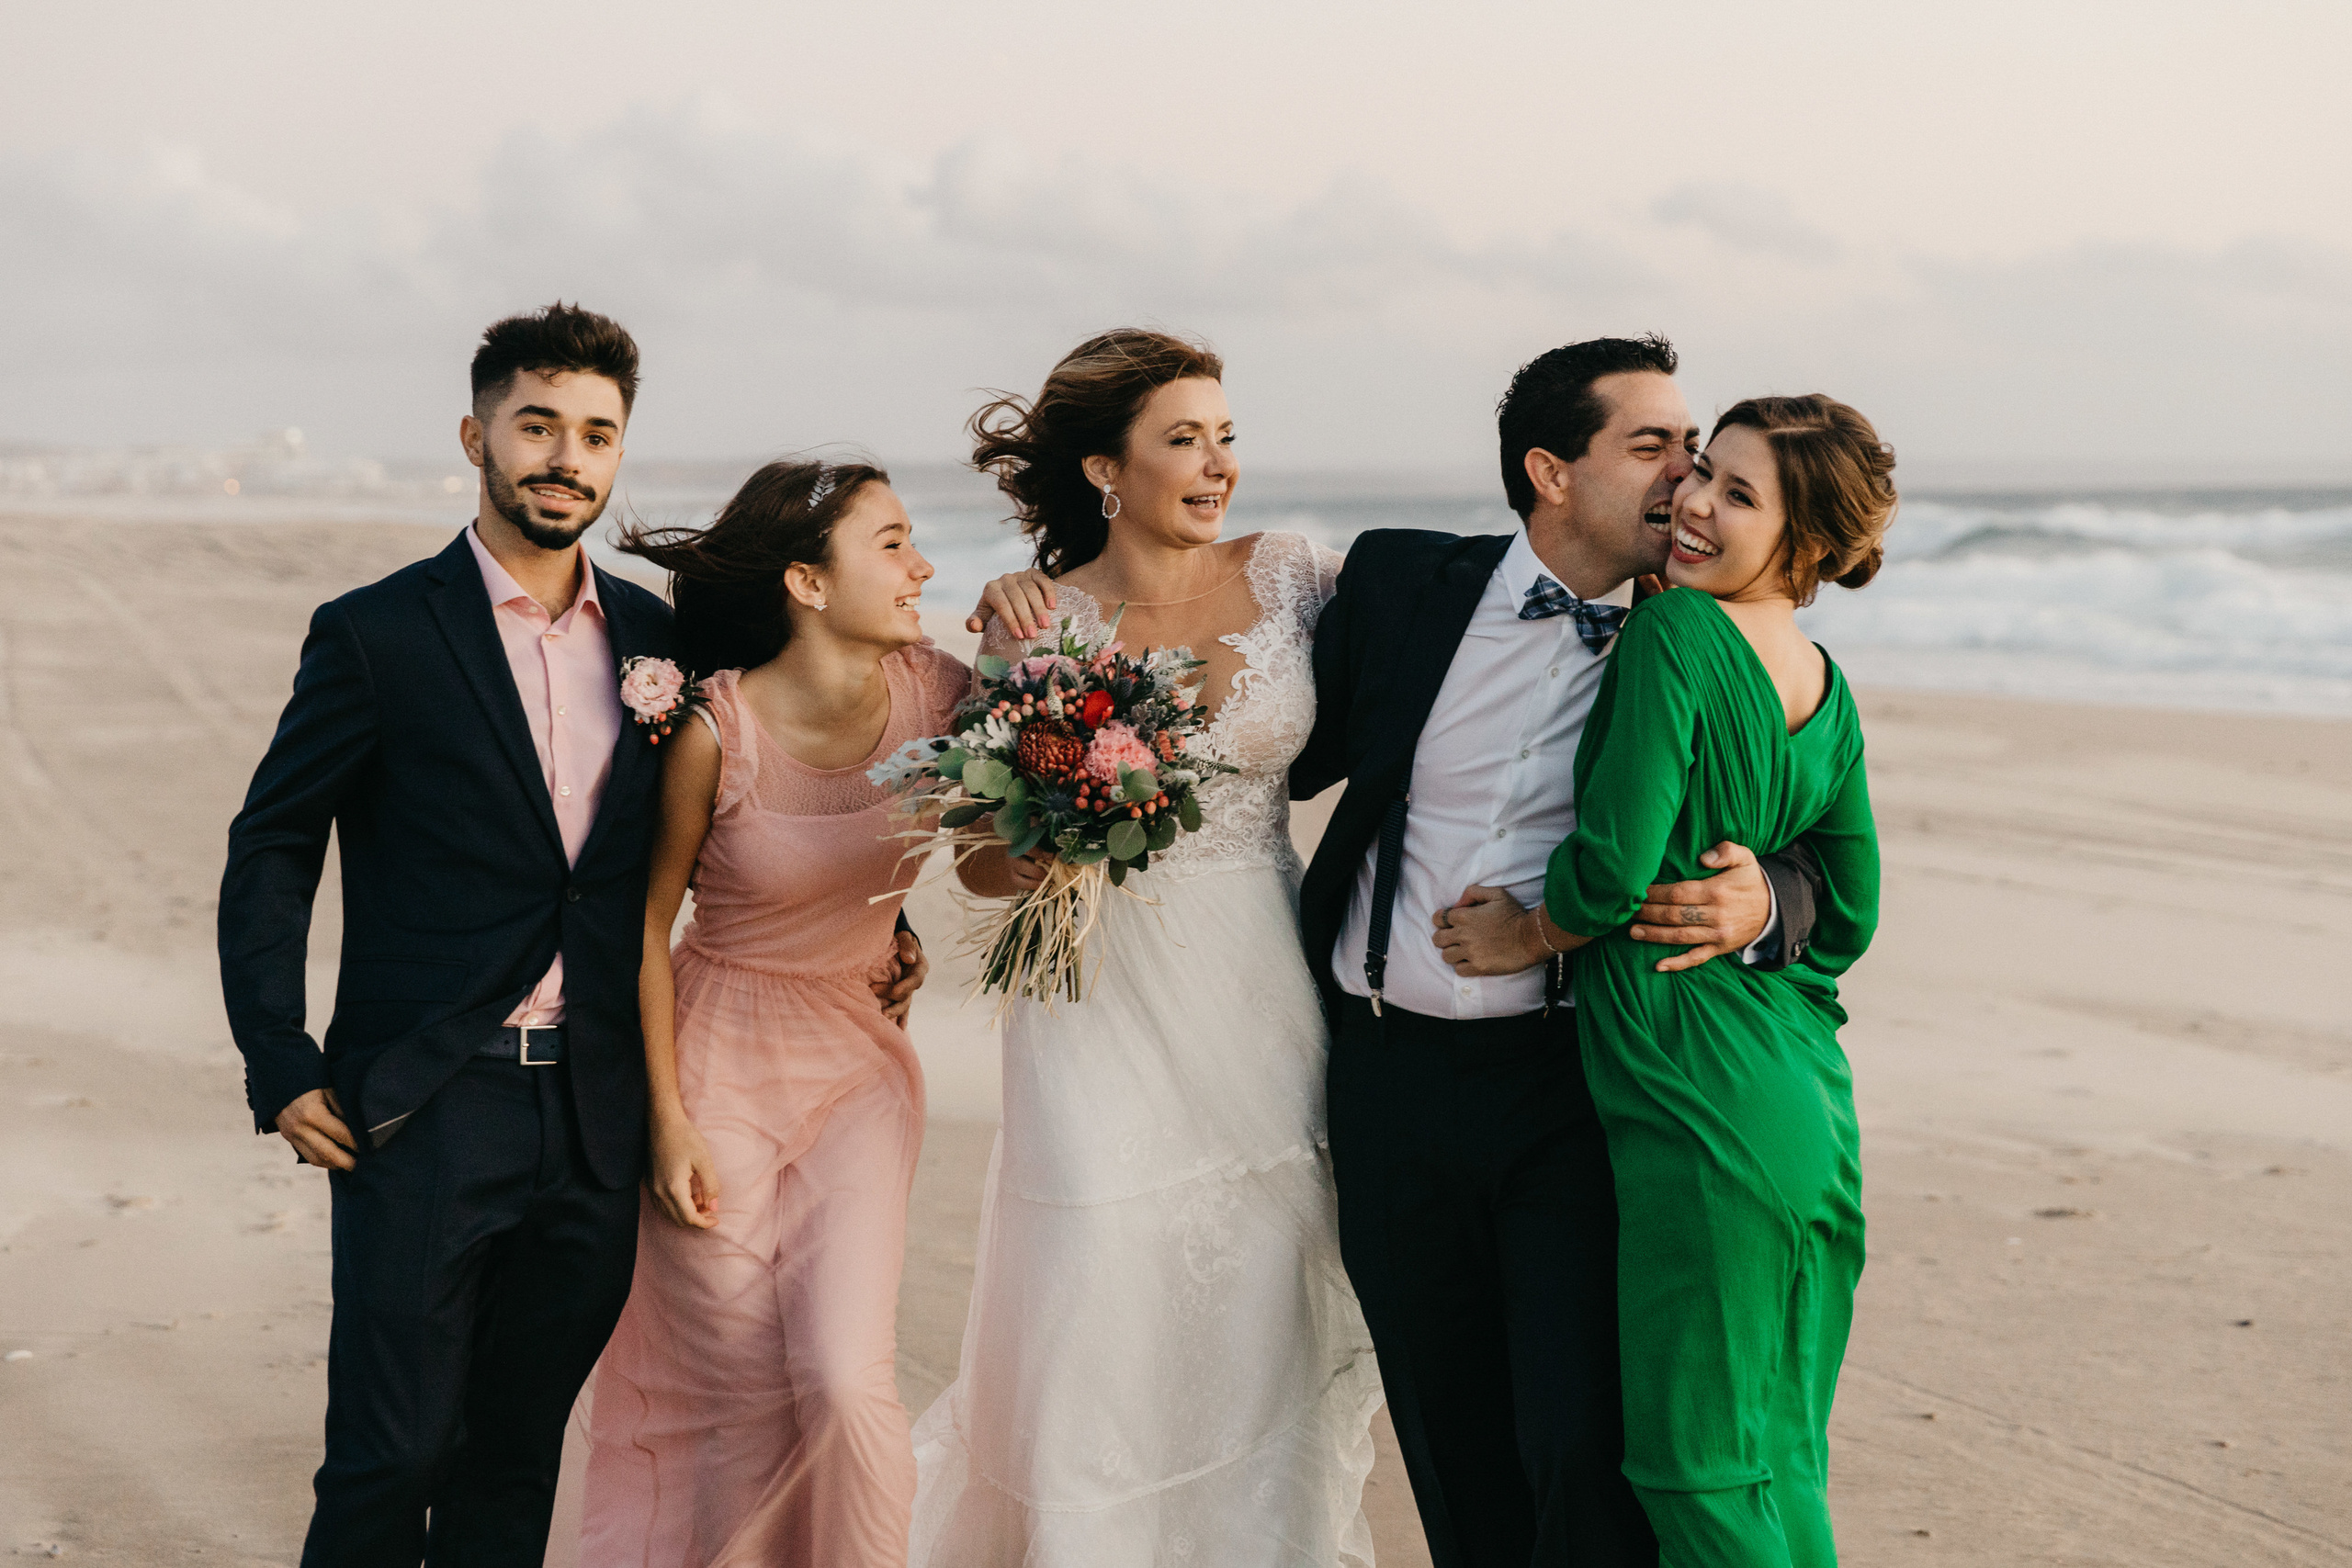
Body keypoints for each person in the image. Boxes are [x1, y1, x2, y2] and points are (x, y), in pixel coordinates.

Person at [1287, 335, 1830, 1567]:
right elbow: (1263, 739)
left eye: (1698, 454)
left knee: (1580, 1437)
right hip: (1386, 1078)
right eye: (1654, 447)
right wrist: (1071, 663)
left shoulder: (1706, 639)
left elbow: (1821, 843)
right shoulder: (1398, 583)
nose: (1687, 480)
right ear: (1550, 470)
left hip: (1575, 1083)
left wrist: (1763, 906)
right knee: (1447, 1431)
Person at [910, 329, 1384, 1566]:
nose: (1217, 462)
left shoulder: (1296, 574)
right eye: (1184, 438)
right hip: (1099, 1003)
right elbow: (975, 856)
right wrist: (1060, 826)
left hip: (1262, 991)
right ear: (1104, 468)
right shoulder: (1039, 622)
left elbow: (1446, 639)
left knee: (1262, 1303)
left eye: (1226, 434)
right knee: (1103, 1288)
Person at [217, 303, 675, 1566]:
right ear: (474, 434)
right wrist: (279, 1051)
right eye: (538, 424)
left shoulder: (658, 639)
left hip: (592, 1112)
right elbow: (274, 842)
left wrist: (892, 926)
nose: (565, 456)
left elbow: (741, 817)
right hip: (426, 1097)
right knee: (392, 1450)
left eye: (596, 432)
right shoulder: (377, 631)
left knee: (512, 1453)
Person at [1437, 394, 1892, 1566]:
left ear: (1808, 544)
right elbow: (1851, 910)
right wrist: (1760, 908)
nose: (1692, 502)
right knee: (1780, 1444)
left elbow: (1607, 872)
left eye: (1738, 496)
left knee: (1693, 1463)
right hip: (1801, 1086)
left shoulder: (1676, 637)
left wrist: (1531, 937)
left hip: (1694, 1091)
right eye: (1703, 475)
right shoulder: (1823, 683)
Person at [579, 460, 964, 1566]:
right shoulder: (717, 732)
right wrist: (665, 1120)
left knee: (847, 1381)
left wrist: (904, 939)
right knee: (731, 1398)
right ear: (805, 579)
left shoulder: (941, 696)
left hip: (860, 1064)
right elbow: (643, 929)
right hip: (714, 1067)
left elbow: (1005, 842)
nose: (921, 565)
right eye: (890, 543)